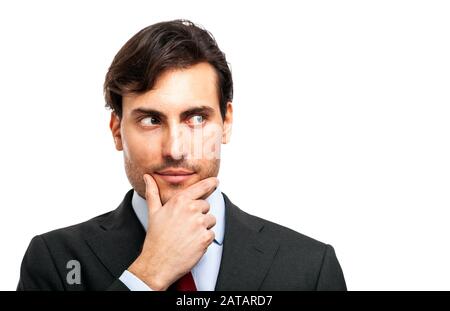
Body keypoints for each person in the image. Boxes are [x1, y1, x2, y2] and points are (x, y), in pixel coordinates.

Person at [17, 19, 346, 291]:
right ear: (117, 129)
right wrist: (148, 274)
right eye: (151, 120)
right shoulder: (55, 260)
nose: (174, 149)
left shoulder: (309, 267)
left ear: (226, 122)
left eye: (197, 118)